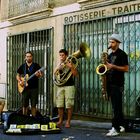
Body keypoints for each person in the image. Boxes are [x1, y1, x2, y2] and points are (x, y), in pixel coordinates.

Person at [105, 34, 129, 136]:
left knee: (116, 107)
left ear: (118, 43)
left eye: (113, 42)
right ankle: (122, 125)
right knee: (116, 106)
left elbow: (126, 69)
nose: (110, 43)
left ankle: (115, 129)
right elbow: (107, 68)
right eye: (110, 42)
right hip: (110, 83)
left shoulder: (122, 54)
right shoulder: (110, 55)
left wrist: (113, 66)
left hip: (117, 84)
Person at [54, 49, 78, 128]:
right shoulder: (59, 64)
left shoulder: (72, 63)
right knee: (59, 105)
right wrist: (58, 68)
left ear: (66, 55)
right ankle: (60, 120)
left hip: (69, 86)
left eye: (62, 55)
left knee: (69, 104)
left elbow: (75, 74)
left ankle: (68, 121)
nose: (61, 57)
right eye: (60, 55)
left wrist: (71, 67)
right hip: (60, 86)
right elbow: (54, 73)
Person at [16, 51, 43, 117]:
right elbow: (17, 75)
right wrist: (20, 81)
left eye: (30, 56)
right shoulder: (23, 66)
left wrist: (38, 75)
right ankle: (24, 118)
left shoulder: (36, 65)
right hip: (25, 89)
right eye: (27, 56)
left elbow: (41, 75)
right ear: (25, 57)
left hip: (34, 88)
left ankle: (33, 119)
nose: (29, 58)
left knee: (33, 105)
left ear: (32, 57)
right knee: (24, 105)